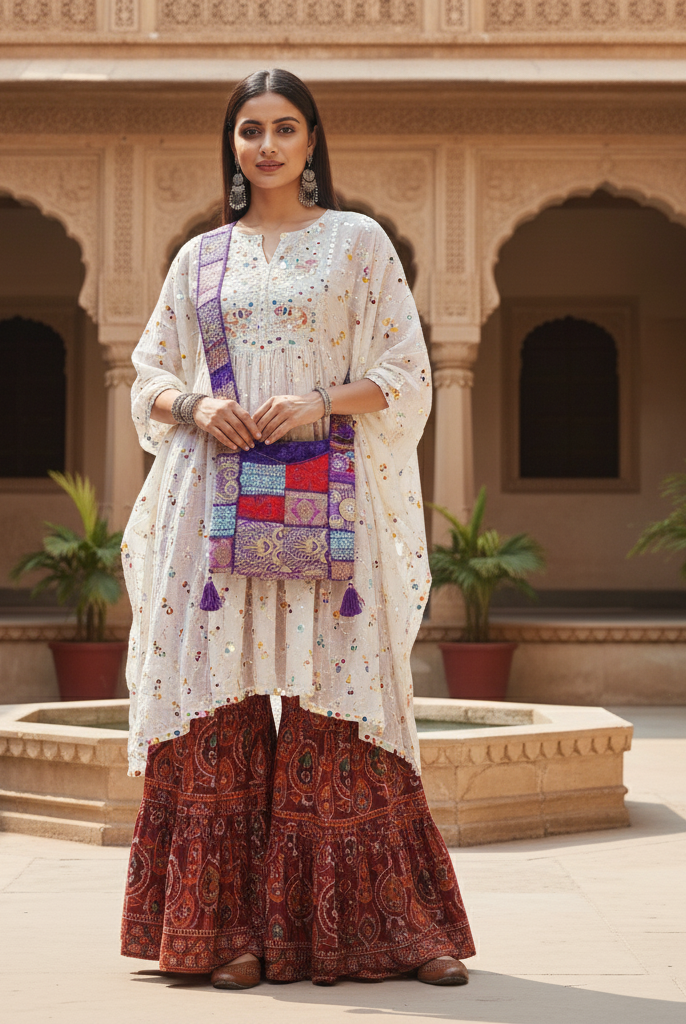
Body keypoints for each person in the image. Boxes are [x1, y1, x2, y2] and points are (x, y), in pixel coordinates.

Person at [120, 68, 475, 990]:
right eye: (250, 131)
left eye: (285, 128)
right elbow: (147, 374)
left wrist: (319, 401)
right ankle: (227, 933)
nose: (267, 146)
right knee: (217, 709)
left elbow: (406, 370)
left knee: (345, 704)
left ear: (313, 140)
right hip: (216, 500)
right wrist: (198, 406)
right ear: (232, 144)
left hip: (331, 491)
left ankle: (393, 929)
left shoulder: (357, 243)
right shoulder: (199, 258)